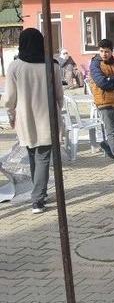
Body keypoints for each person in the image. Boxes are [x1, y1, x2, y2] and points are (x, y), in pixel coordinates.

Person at [1, 29, 63, 214]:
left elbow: (9, 98)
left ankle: (38, 195)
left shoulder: (15, 66)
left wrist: (11, 116)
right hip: (47, 118)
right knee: (42, 157)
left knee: (34, 155)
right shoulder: (52, 65)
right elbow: (59, 94)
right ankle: (38, 198)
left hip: (25, 119)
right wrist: (59, 112)